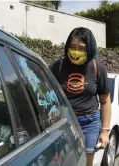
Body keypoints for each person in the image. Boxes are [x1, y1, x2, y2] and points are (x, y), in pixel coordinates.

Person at [50, 27, 111, 166]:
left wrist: (105, 131)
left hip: (89, 122)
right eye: (72, 47)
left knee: (85, 162)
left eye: (82, 48)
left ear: (89, 49)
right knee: (64, 160)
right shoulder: (57, 66)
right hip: (63, 121)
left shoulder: (98, 68)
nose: (76, 51)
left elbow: (105, 101)